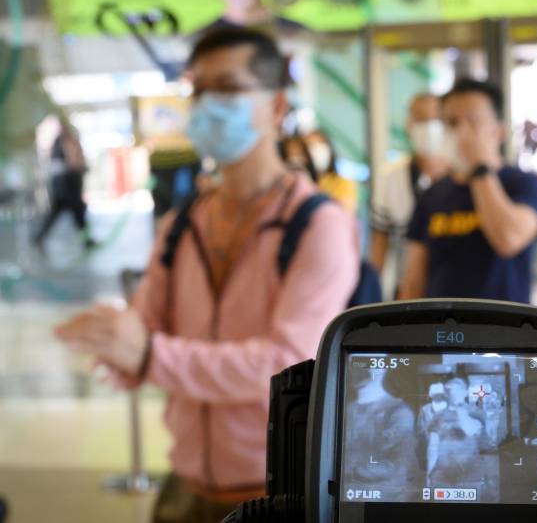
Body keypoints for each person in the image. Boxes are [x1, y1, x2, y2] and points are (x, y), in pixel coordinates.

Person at [54, 28, 360, 523]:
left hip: (275, 493)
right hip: (184, 484)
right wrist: (119, 347)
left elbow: (288, 365)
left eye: (229, 89)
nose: (208, 104)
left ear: (277, 107)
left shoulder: (317, 224)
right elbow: (148, 327)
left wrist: (149, 355)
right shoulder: (184, 222)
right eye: (199, 90)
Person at [398, 79, 537, 304]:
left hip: (505, 330)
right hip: (442, 332)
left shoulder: (524, 184)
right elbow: (413, 281)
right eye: (452, 122)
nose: (461, 132)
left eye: (473, 121)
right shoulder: (433, 195)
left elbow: (508, 239)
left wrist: (479, 168)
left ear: (498, 131)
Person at [370, 93, 450, 296]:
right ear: (408, 125)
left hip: (453, 291)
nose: (429, 127)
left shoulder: (461, 178)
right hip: (407, 293)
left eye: (436, 120)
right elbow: (380, 243)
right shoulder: (391, 177)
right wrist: (369, 294)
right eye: (421, 120)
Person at [342, 368, 416, 499]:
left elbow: (396, 465)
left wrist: (345, 470)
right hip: (344, 498)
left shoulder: (397, 410)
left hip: (385, 499)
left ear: (382, 369)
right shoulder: (345, 409)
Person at [34, 117, 96, 250]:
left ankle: (40, 237)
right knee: (76, 211)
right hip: (67, 183)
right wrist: (80, 166)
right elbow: (73, 162)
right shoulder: (63, 142)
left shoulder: (62, 141)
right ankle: (86, 240)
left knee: (70, 212)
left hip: (66, 182)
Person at [302, 129, 359, 213]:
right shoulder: (304, 181)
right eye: (310, 146)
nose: (316, 151)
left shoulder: (343, 182)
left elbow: (347, 212)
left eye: (320, 144)